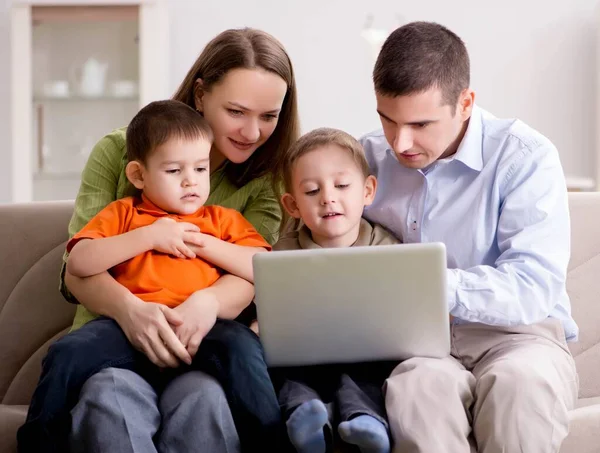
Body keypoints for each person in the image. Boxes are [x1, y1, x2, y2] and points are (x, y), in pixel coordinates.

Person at [18, 27, 299, 453]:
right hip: (114, 326)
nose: (252, 132)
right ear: (201, 94)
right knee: (108, 399)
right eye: (237, 111)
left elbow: (258, 272)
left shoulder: (263, 185)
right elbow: (76, 268)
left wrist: (205, 299)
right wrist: (132, 310)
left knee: (209, 400)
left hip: (204, 333)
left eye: (269, 116)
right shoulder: (121, 155)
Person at [360, 21, 579, 453]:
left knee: (519, 387)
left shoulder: (525, 157)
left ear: (465, 104)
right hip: (420, 347)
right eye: (388, 120)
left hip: (522, 337)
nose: (400, 143)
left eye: (421, 124)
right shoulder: (364, 159)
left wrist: (428, 286)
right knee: (416, 393)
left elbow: (532, 286)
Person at [267, 128, 399, 453]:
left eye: (341, 186)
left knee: (364, 377)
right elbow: (272, 310)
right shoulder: (281, 253)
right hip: (304, 353)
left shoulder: (389, 248)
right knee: (289, 378)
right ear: (292, 204)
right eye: (312, 191)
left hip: (367, 351)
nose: (328, 197)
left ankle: (367, 422)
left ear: (367, 191)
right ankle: (306, 419)